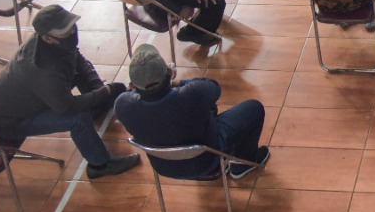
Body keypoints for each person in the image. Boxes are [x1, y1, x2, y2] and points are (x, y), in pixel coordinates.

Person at [0, 5, 140, 179]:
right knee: (77, 120)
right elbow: (66, 107)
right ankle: (100, 165)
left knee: (78, 77)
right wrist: (106, 91)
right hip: (10, 121)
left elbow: (77, 58)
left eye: (73, 27)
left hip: (36, 97)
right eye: (66, 31)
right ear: (48, 38)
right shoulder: (43, 70)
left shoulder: (53, 43)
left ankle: (97, 107)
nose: (73, 32)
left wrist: (97, 89)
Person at [115, 44, 269, 179]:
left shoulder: (122, 106)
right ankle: (242, 165)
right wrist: (177, 82)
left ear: (132, 85)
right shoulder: (192, 95)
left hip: (165, 167)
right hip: (207, 161)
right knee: (254, 108)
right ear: (169, 71)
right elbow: (212, 86)